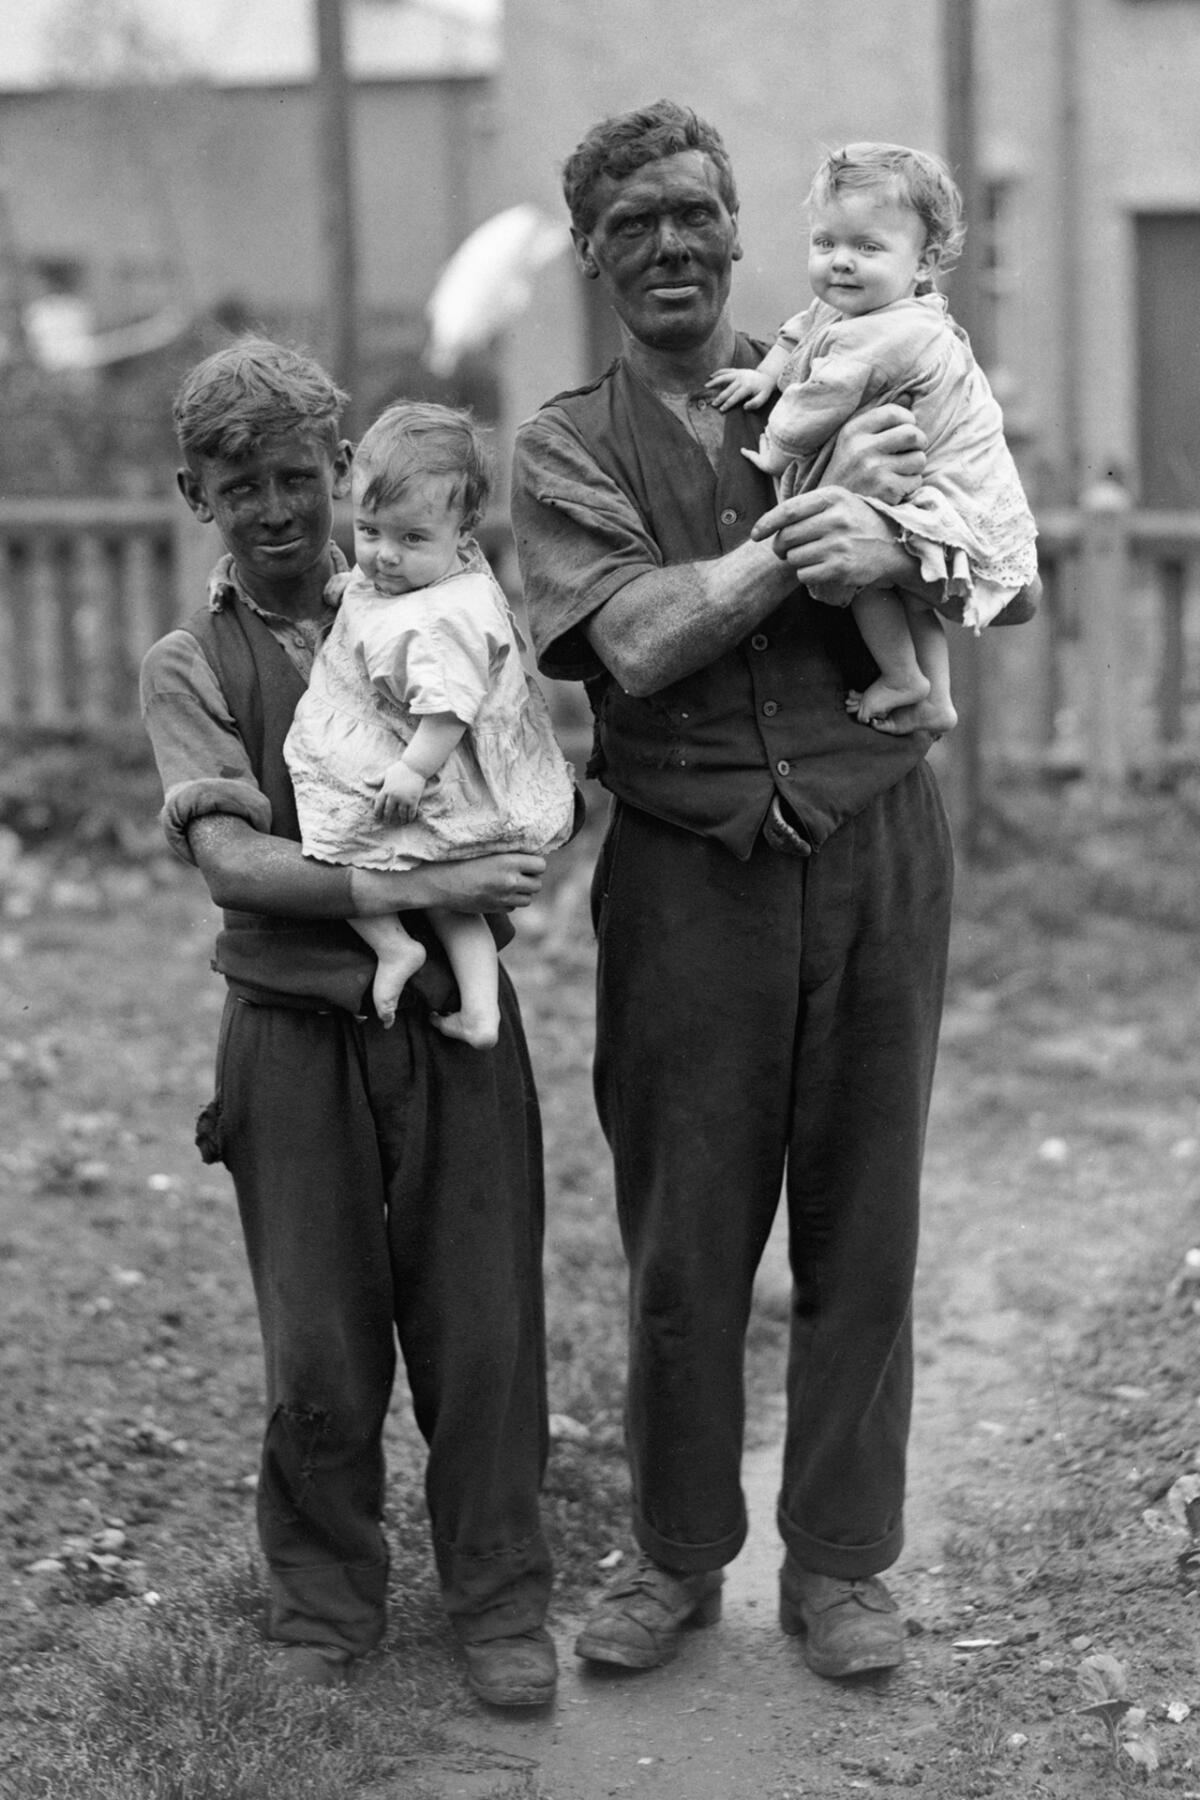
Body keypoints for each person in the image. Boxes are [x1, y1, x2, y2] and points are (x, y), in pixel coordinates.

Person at [511, 100, 1037, 1683]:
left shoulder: (857, 358)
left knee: (866, 1217)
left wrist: (897, 538)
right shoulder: (565, 447)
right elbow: (639, 641)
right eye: (631, 226)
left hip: (878, 842)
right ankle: (675, 1558)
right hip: (685, 876)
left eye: (694, 214)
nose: (669, 246)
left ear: (738, 229)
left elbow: (989, 568)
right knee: (686, 1231)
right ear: (593, 258)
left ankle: (842, 1568)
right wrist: (794, 548)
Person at [139, 338, 559, 1709]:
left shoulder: (429, 592)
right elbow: (237, 868)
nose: (276, 511)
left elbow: (517, 754)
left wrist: (505, 837)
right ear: (195, 492)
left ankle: (498, 1598)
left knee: (484, 1319)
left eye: (299, 480)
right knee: (317, 1341)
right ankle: (325, 1602)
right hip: (289, 1038)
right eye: (240, 484)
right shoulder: (191, 665)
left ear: (340, 476)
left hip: (451, 1022)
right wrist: (431, 877)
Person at [707, 140, 1037, 732]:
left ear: (923, 262)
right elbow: (800, 332)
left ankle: (906, 678)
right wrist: (762, 373)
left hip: (947, 483)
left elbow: (815, 401)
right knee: (906, 586)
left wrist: (774, 448)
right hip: (931, 477)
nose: (840, 262)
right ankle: (935, 697)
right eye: (825, 242)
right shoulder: (852, 307)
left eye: (867, 247)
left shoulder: (891, 333)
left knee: (869, 574)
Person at [283, 400, 576, 1044]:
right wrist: (349, 589)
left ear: (465, 531)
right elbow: (372, 586)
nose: (385, 556)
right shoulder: (405, 580)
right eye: (370, 531)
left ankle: (393, 946)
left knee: (337, 841)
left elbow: (448, 709)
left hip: (429, 772)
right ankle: (479, 1010)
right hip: (437, 778)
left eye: (412, 539)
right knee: (448, 900)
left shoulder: (441, 619)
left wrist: (412, 771)